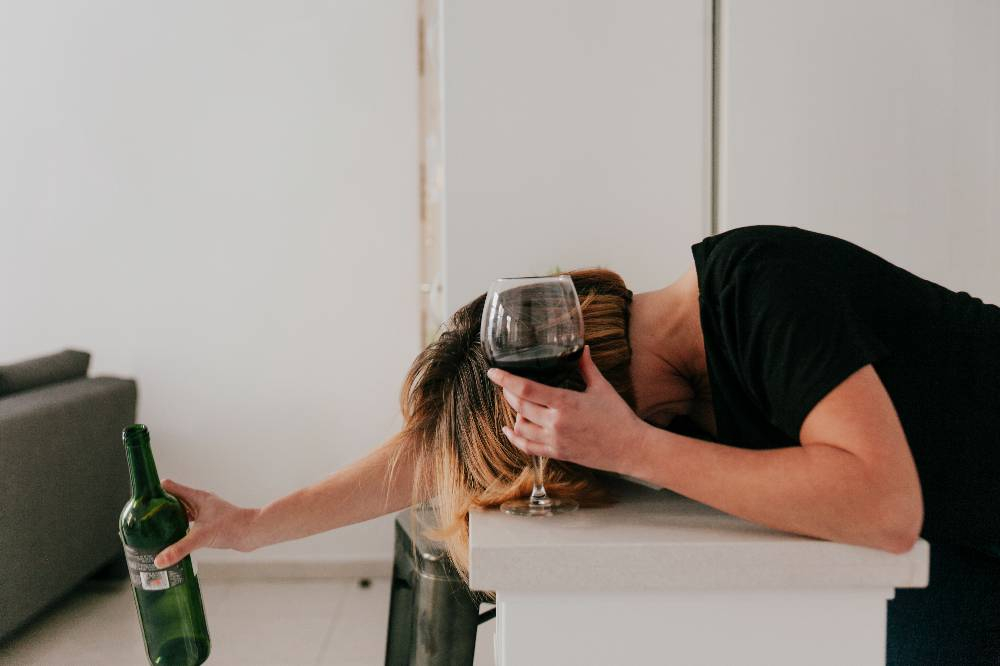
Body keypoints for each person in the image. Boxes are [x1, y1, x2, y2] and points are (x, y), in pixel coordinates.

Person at [153, 224, 999, 664]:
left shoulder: (761, 288)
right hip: (960, 534)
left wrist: (631, 450)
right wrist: (254, 525)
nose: (566, 465)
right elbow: (433, 448)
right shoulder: (675, 396)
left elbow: (884, 507)